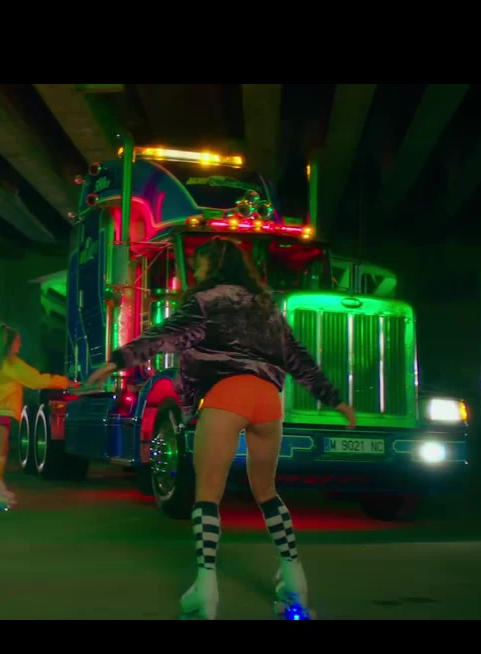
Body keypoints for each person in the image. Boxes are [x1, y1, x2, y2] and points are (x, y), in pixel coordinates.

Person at [85, 238, 356, 620]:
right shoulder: (267, 308)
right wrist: (335, 400)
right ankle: (294, 579)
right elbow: (298, 359)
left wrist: (117, 361)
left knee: (208, 496)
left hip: (227, 396)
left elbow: (162, 336)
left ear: (212, 267)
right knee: (267, 492)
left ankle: (205, 589)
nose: (196, 272)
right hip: (268, 402)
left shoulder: (205, 302)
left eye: (199, 266)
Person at [0, 324, 77, 510]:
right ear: (9, 343)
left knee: (0, 450)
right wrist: (65, 382)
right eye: (17, 340)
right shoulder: (11, 363)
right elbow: (36, 380)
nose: (19, 344)